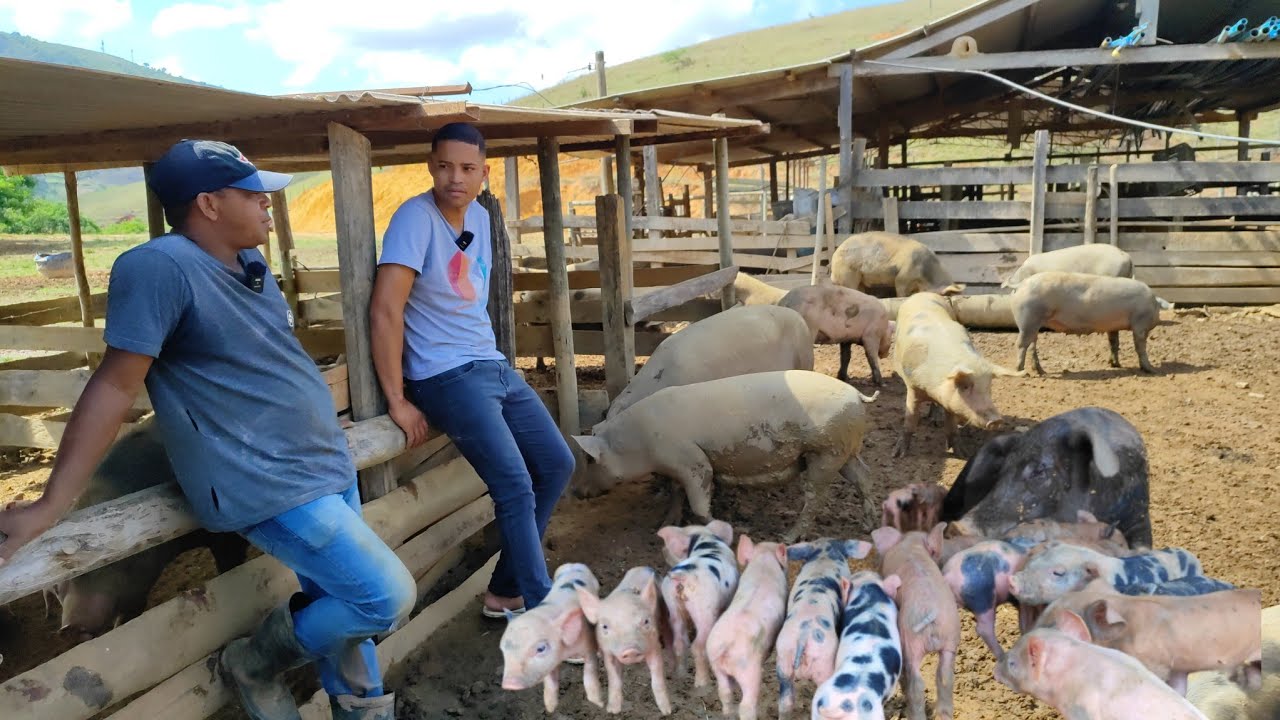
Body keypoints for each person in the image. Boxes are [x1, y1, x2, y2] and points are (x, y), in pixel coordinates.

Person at [0, 140, 414, 720]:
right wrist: (50, 504)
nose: (268, 205)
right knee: (384, 597)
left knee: (337, 595)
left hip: (319, 462)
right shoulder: (158, 268)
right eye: (252, 195)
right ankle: (255, 662)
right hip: (263, 481)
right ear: (208, 204)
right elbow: (115, 386)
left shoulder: (251, 267)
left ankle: (362, 709)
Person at [370, 122, 575, 618]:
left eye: (466, 169)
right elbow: (385, 310)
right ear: (430, 166)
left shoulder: (482, 217)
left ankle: (505, 591)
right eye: (444, 166)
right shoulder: (414, 220)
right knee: (514, 484)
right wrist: (397, 398)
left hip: (490, 364)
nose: (454, 178)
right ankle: (540, 608)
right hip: (445, 374)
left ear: (483, 172)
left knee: (556, 463)